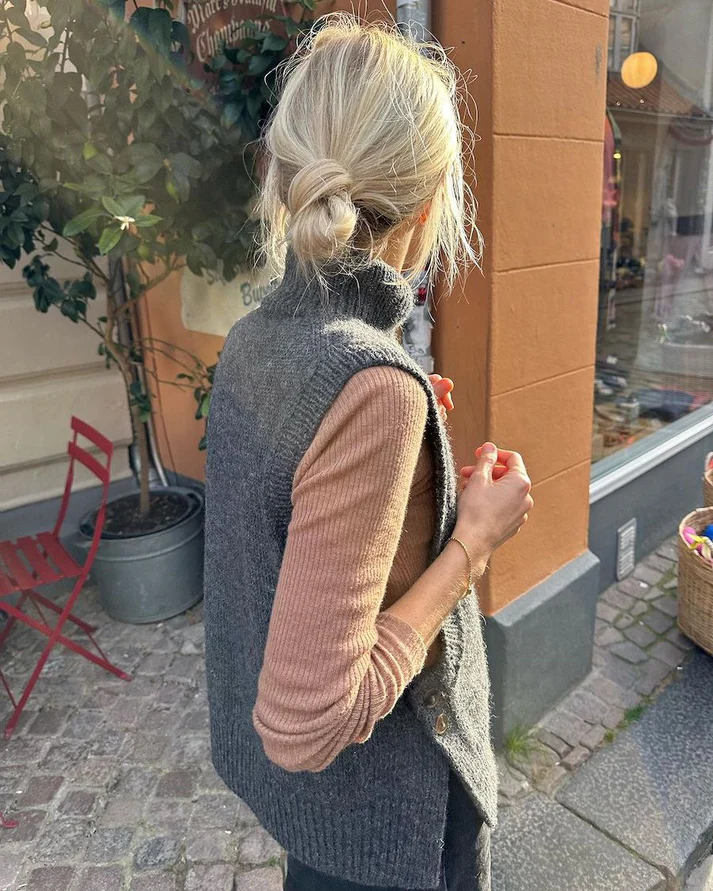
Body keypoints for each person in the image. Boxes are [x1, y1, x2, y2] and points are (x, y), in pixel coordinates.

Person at [203, 15, 533, 891]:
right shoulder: (367, 383)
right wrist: (472, 543)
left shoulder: (253, 339)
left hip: (320, 826)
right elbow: (306, 721)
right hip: (389, 831)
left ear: (285, 175)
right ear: (427, 207)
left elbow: (275, 521)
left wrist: (400, 448)